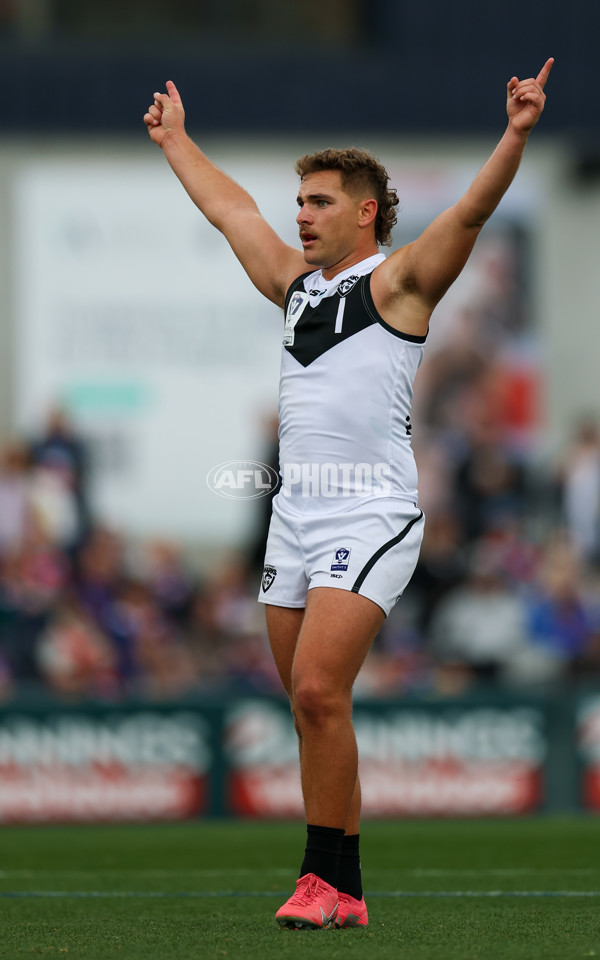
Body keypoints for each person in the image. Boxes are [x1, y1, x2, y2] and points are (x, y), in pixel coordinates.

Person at [144, 58, 553, 930]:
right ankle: (348, 890)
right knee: (310, 707)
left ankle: (320, 879)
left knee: (322, 692)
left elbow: (473, 213)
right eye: (301, 202)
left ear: (365, 211)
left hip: (370, 511)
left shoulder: (397, 285)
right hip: (295, 514)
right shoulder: (296, 291)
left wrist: (516, 134)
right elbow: (231, 212)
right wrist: (179, 142)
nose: (301, 214)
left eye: (320, 201)